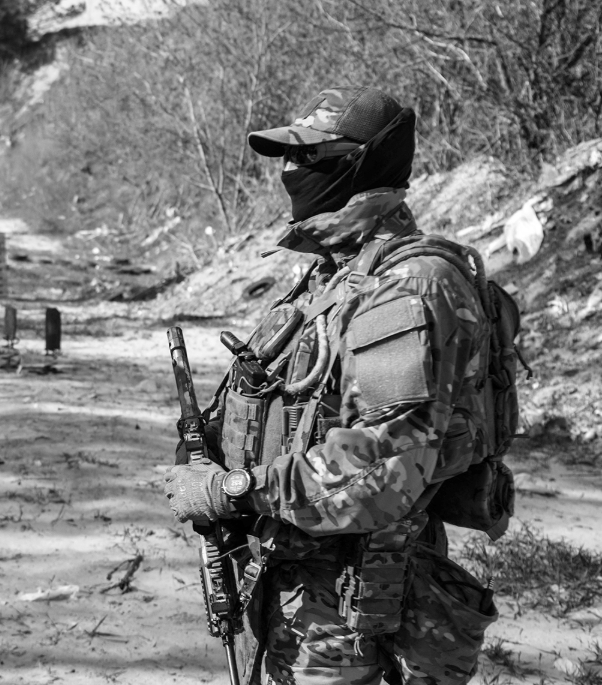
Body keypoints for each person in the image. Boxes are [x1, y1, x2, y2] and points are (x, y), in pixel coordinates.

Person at [162, 86, 498, 684]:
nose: (291, 171)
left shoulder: (405, 290)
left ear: (360, 164)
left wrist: (236, 489)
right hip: (300, 595)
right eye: (289, 158)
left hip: (355, 614)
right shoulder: (333, 274)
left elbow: (384, 470)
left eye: (311, 157)